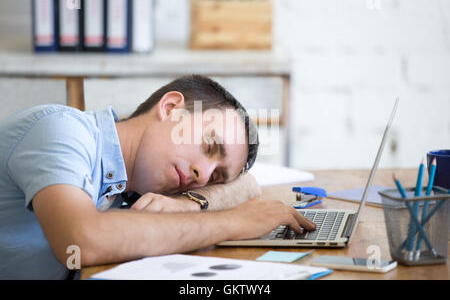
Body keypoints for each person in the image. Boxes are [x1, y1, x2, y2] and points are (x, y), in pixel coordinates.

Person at [0, 75, 315, 279]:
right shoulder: (61, 130)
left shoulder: (133, 186)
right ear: (172, 107)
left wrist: (190, 205)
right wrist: (236, 222)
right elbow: (82, 240)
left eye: (216, 176)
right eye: (209, 145)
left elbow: (247, 183)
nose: (202, 175)